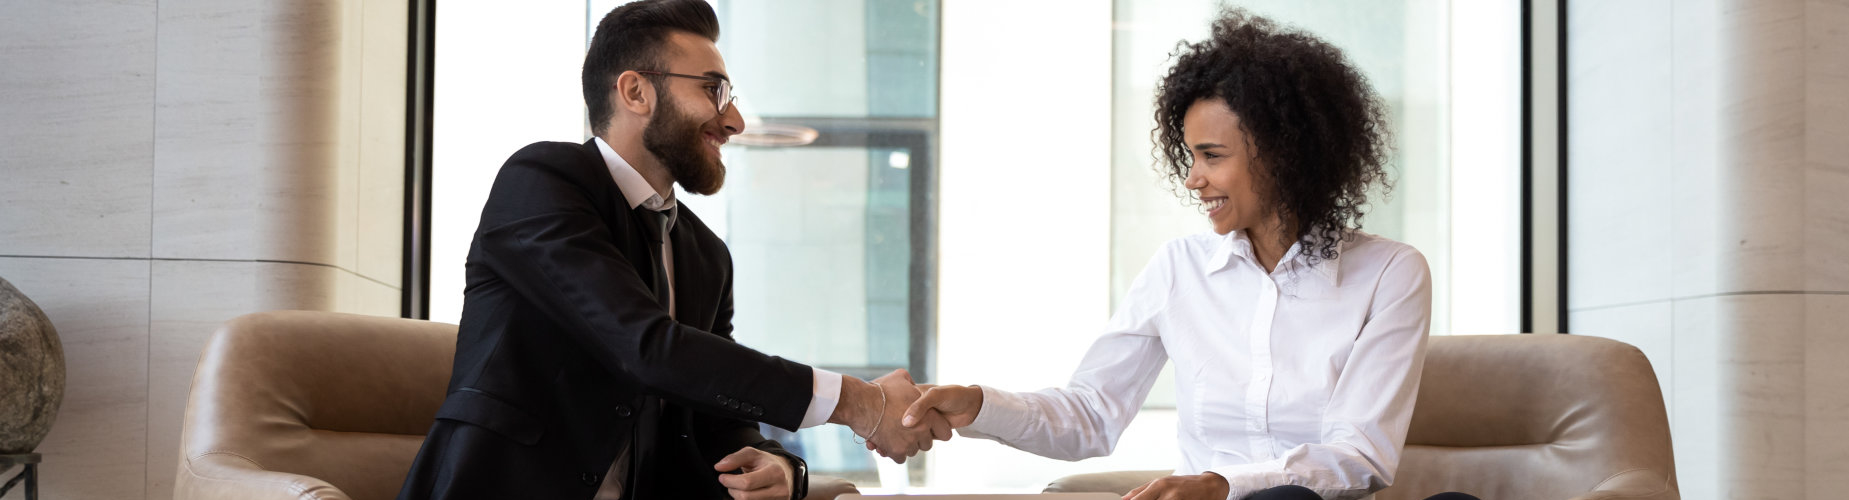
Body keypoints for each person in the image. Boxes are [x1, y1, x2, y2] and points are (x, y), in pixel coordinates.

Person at [901, 10, 1475, 500]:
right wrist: (978, 404)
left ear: (1284, 152)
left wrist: (1222, 483)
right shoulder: (1179, 268)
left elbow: (1360, 456)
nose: (1194, 179)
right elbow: (1090, 415)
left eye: (1212, 155)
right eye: (1191, 156)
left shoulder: (1391, 272)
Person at [394, 1, 941, 499]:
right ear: (635, 91)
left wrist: (778, 463)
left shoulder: (706, 255)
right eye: (713, 89)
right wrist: (854, 401)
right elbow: (645, 348)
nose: (734, 121)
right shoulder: (542, 180)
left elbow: (711, 413)